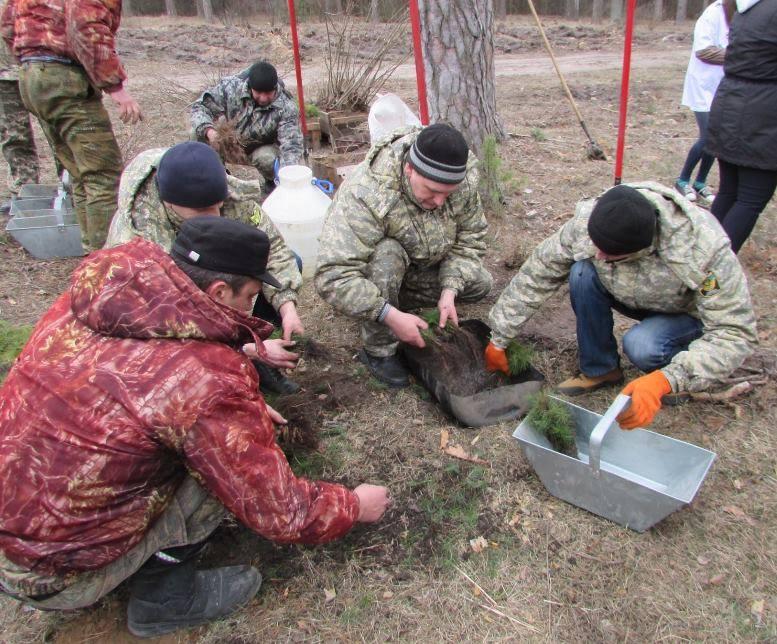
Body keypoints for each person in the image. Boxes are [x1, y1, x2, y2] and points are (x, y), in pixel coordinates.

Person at [0, 216, 390, 638]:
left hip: (19, 525)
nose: (252, 306)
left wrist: (236, 370)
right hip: (55, 573)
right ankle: (165, 599)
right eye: (251, 296)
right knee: (221, 466)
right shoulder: (204, 381)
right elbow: (279, 511)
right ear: (219, 292)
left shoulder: (100, 300)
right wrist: (354, 505)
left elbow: (142, 375)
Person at [485, 183, 757, 429]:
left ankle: (676, 370)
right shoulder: (594, 219)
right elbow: (539, 272)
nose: (599, 255)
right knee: (582, 272)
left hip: (682, 313)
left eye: (610, 254)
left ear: (640, 251)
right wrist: (499, 337)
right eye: (597, 246)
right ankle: (601, 370)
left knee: (642, 346)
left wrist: (668, 379)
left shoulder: (702, 252)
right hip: (628, 293)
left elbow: (733, 332)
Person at [105, 141, 304, 394]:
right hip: (161, 331)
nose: (214, 216)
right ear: (169, 204)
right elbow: (162, 329)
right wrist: (248, 349)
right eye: (200, 210)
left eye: (217, 205)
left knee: (289, 261)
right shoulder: (138, 243)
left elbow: (274, 248)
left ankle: (258, 362)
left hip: (208, 279)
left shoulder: (224, 195)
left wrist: (286, 306)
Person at [315, 124, 493, 388]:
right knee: (387, 256)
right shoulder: (368, 193)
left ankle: (396, 299)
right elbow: (333, 276)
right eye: (432, 191)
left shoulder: (462, 181)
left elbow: (471, 238)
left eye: (447, 193)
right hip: (379, 271)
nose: (440, 201)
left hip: (419, 268)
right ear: (409, 169)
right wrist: (388, 315)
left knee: (480, 283)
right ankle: (379, 349)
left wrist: (449, 289)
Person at [0, 0, 142, 250]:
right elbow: (86, 26)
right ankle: (108, 261)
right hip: (62, 76)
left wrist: (34, 58)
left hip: (32, 76)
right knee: (103, 176)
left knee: (79, 173)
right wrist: (115, 87)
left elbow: (8, 25)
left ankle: (90, 252)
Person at [705, 0, 777, 253]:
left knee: (729, 192)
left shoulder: (748, 8)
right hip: (763, 115)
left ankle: (699, 257)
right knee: (750, 199)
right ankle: (713, 270)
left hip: (730, 105)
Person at [191, 60, 303, 193]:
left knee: (266, 158)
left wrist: (288, 180)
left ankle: (273, 182)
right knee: (196, 133)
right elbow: (199, 107)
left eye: (268, 93)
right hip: (228, 142)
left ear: (275, 88)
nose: (263, 98)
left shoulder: (287, 107)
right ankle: (216, 177)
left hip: (258, 149)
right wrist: (210, 132)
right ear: (250, 86)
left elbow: (291, 146)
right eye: (258, 92)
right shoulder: (230, 87)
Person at [674, 0, 735, 208]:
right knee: (709, 136)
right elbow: (703, 51)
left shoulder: (741, 15)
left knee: (717, 138)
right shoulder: (712, 14)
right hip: (703, 86)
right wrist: (740, 54)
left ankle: (700, 182)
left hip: (723, 87)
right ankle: (682, 180)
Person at [0, 38, 37, 211]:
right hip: (4, 72)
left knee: (60, 133)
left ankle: (72, 189)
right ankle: (25, 192)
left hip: (42, 66)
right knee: (13, 135)